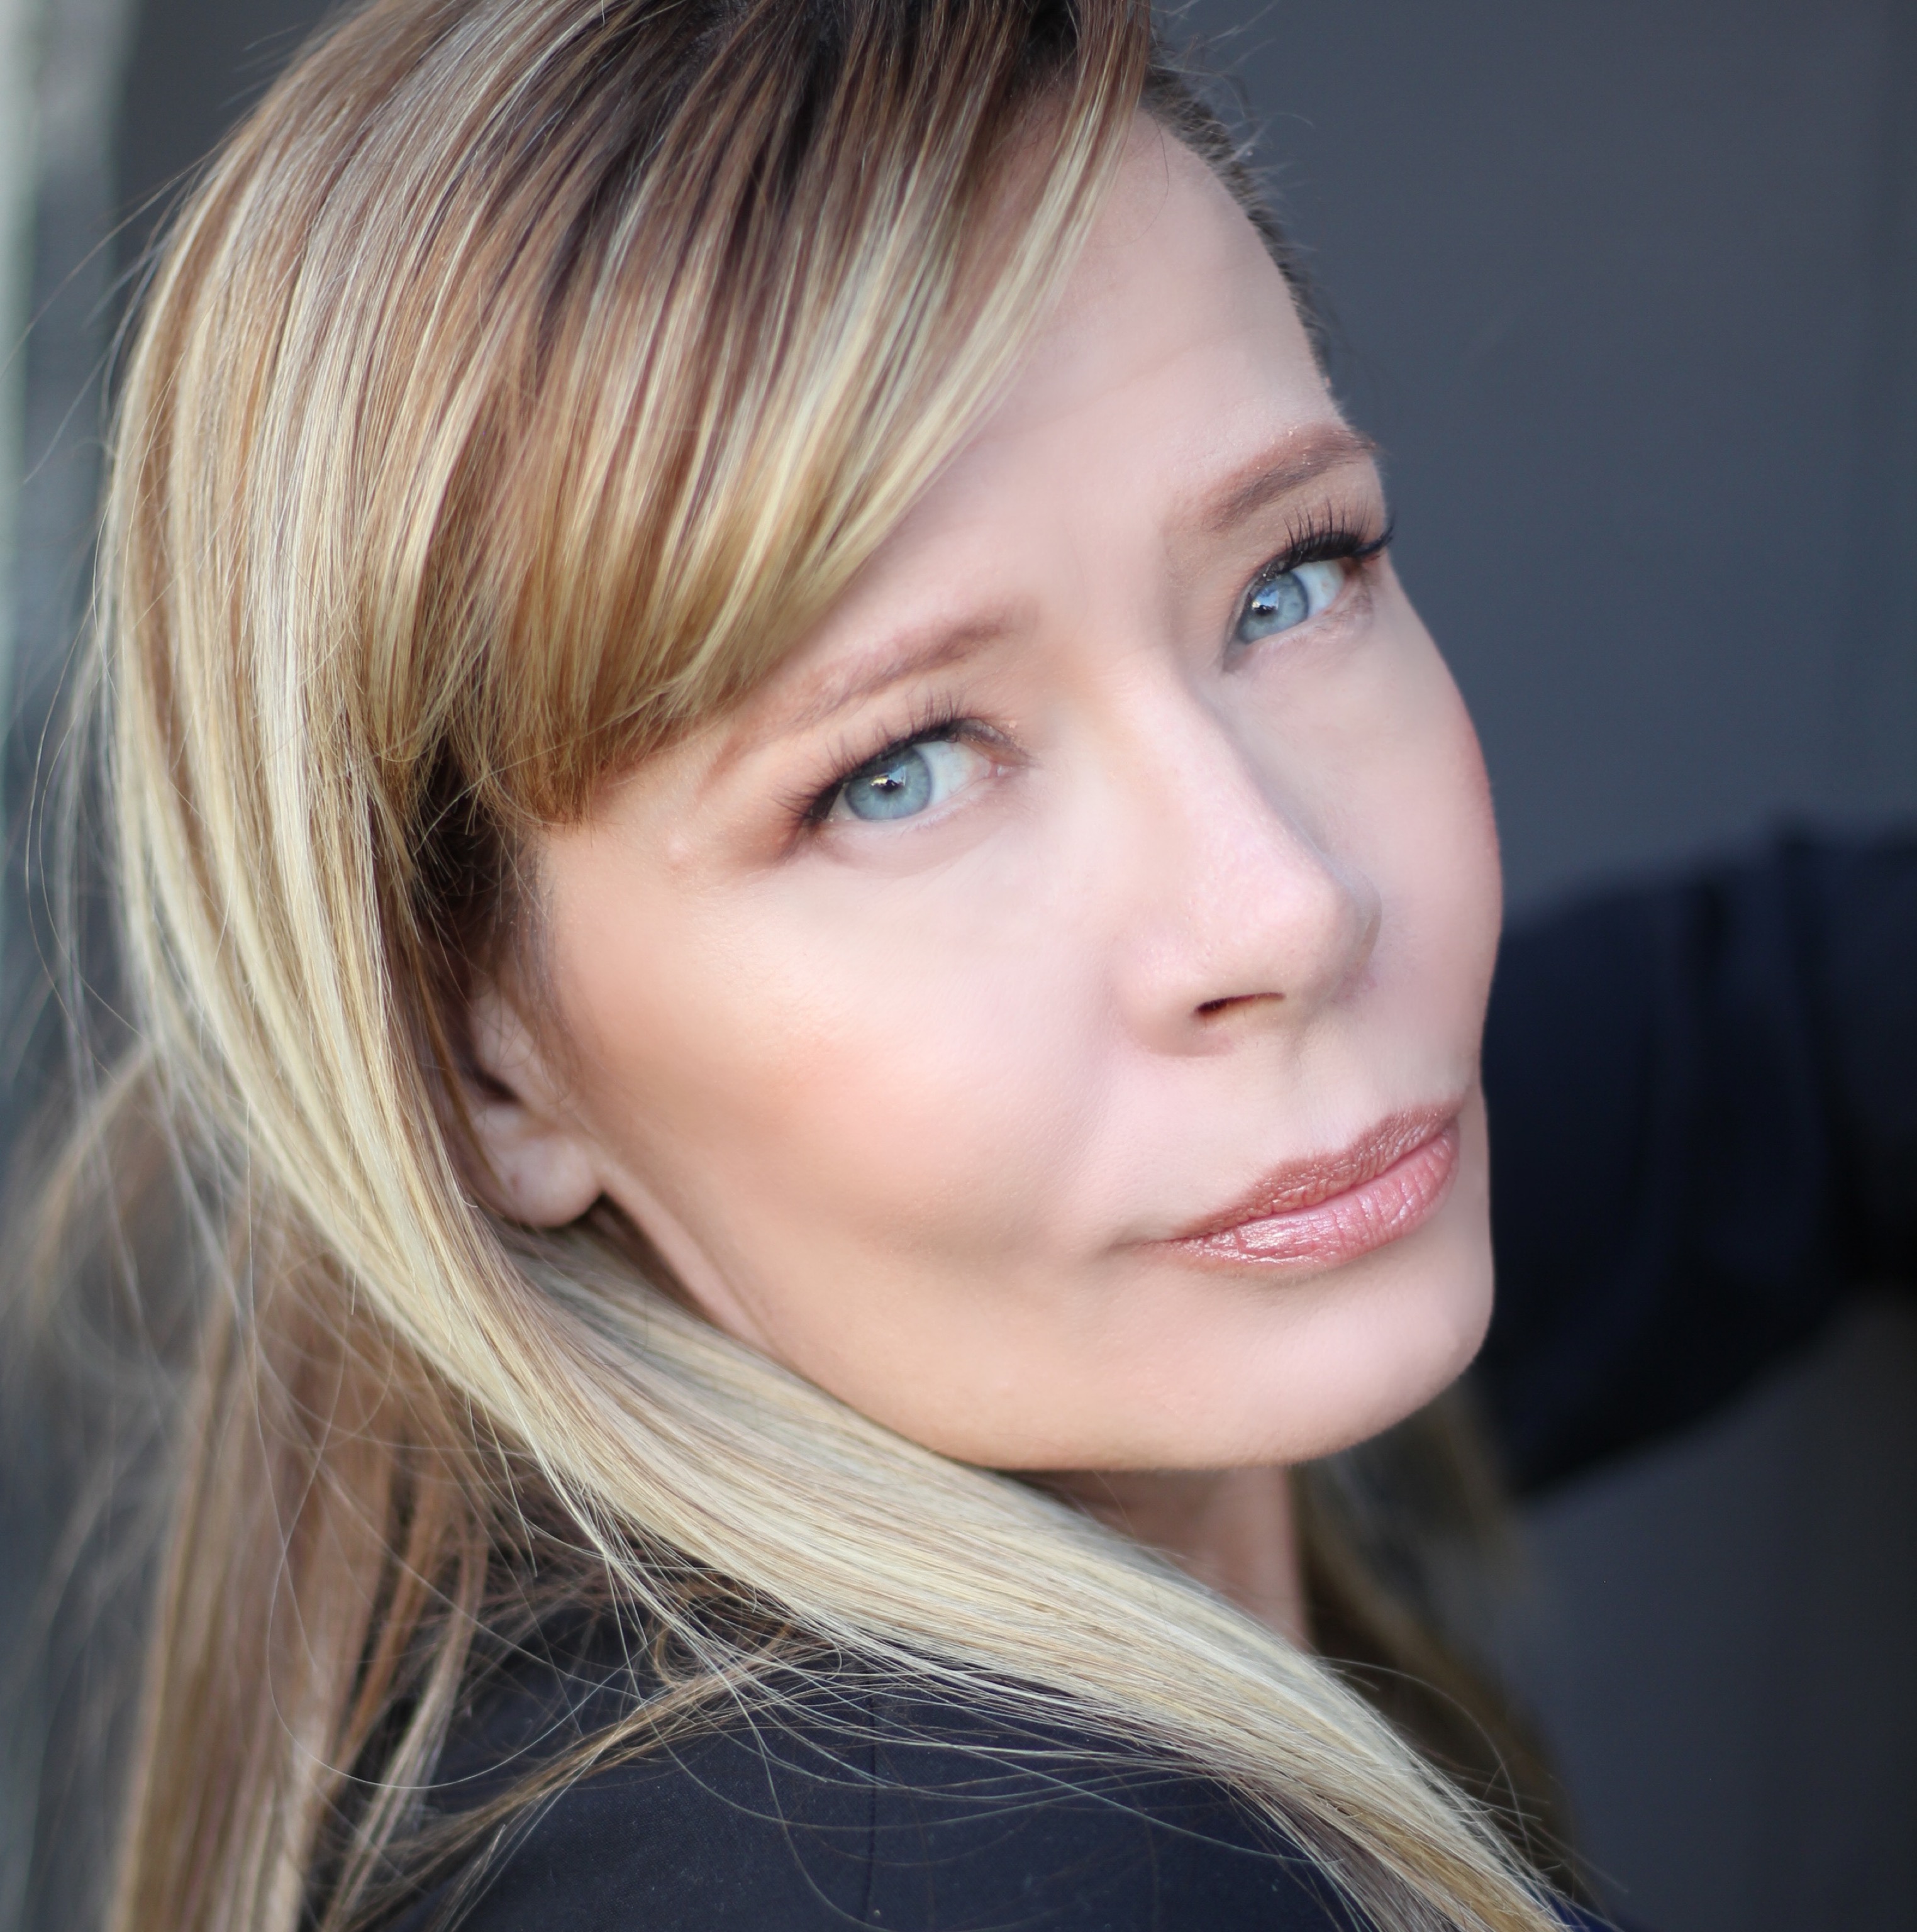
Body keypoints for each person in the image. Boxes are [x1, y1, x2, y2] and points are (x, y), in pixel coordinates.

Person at [38, 0, 1908, 1926]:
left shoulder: (1084, 1342)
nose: (1287, 909)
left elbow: (1773, 1026)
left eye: (1290, 584)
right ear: (480, 1059)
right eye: (901, 773)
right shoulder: (988, 1881)